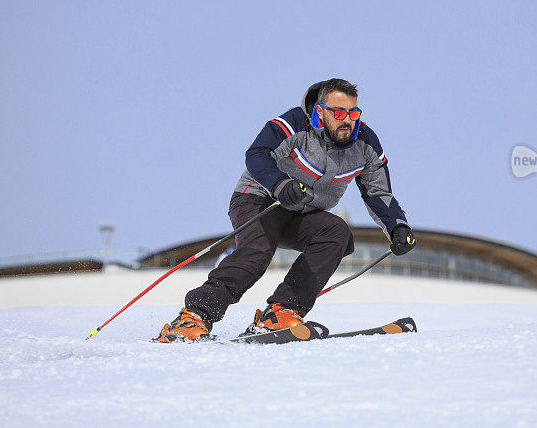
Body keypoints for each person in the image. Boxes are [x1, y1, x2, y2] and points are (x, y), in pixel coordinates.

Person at [154, 79, 416, 342]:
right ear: (321, 110)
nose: (347, 120)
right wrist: (279, 184)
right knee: (257, 251)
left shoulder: (365, 143)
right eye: (338, 113)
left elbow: (377, 192)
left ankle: (282, 311)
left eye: (353, 113)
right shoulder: (294, 123)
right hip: (260, 199)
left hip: (302, 214)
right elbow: (257, 153)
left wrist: (397, 227)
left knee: (337, 233)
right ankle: (193, 317)